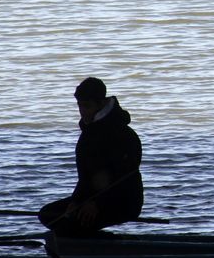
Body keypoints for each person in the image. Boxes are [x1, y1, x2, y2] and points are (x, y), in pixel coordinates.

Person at [39, 77, 144, 235]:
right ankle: (92, 243)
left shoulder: (122, 135)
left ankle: (108, 247)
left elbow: (122, 177)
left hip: (123, 201)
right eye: (79, 106)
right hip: (92, 199)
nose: (82, 111)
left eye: (86, 106)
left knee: (68, 227)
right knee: (49, 215)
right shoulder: (89, 132)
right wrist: (76, 201)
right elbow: (86, 177)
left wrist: (96, 204)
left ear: (101, 103)